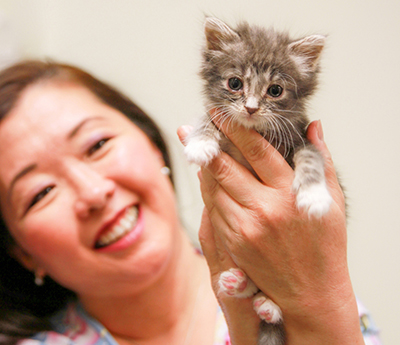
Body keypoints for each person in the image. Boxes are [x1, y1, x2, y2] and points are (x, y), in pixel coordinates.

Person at [0, 60, 380, 345]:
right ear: (22, 252)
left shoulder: (293, 285)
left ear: (153, 144)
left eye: (97, 145)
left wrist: (317, 300)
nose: (93, 194)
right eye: (40, 193)